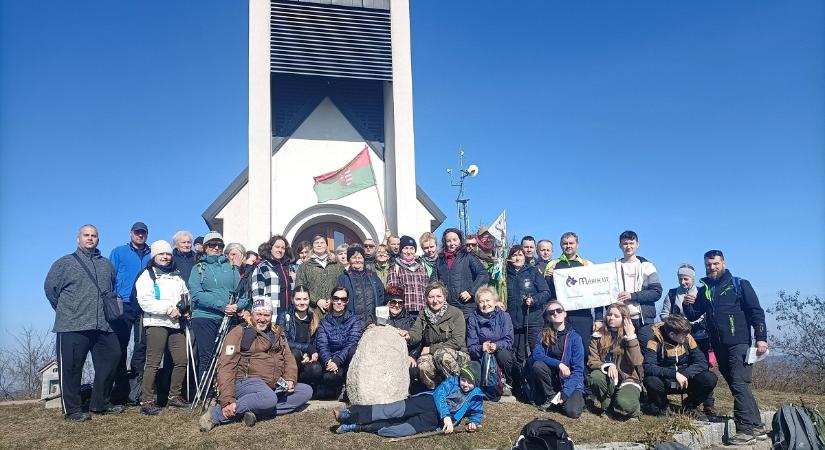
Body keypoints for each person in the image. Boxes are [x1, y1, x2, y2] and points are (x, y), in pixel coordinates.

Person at [683, 250, 768, 444]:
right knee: (738, 386)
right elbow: (694, 315)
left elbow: (756, 312)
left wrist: (761, 338)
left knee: (739, 383)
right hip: (719, 346)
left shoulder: (739, 284)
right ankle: (756, 426)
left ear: (723, 263)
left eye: (716, 264)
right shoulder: (705, 289)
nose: (712, 268)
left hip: (739, 343)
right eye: (708, 265)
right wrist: (688, 305)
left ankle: (745, 431)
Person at [199, 297, 312, 431]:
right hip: (245, 382)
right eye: (259, 314)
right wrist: (228, 399)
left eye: (267, 315)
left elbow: (288, 358)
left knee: (306, 391)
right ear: (252, 314)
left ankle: (255, 412)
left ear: (271, 316)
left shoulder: (277, 332)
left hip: (273, 384)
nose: (262, 319)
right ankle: (217, 414)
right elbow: (226, 366)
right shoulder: (240, 332)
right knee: (268, 398)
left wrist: (289, 379)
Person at [44, 224, 122, 421]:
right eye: (86, 235)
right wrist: (65, 311)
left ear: (98, 239)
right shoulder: (64, 263)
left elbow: (112, 287)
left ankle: (100, 403)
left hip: (103, 324)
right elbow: (50, 290)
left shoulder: (106, 265)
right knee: (71, 367)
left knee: (113, 356)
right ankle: (73, 410)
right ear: (78, 239)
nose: (90, 238)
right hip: (72, 324)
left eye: (94, 235)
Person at [333, 362, 485, 437]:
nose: (465, 384)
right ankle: (349, 414)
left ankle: (357, 426)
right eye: (464, 379)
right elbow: (439, 394)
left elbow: (477, 413)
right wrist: (446, 416)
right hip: (428, 402)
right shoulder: (452, 381)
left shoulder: (476, 397)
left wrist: (474, 422)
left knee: (396, 430)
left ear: (475, 383)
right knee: (390, 411)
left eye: (469, 382)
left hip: (434, 420)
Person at [134, 240, 190, 415]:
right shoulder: (147, 275)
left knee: (181, 360)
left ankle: (174, 396)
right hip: (156, 323)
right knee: (153, 362)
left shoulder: (176, 275)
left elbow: (185, 295)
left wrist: (186, 309)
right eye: (161, 254)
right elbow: (145, 301)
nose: (165, 257)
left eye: (167, 254)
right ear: (154, 256)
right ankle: (147, 400)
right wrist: (168, 309)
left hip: (176, 323)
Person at [661, 263, 716, 416]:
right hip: (677, 336)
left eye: (686, 279)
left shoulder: (701, 293)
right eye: (680, 279)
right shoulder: (672, 294)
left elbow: (706, 313)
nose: (683, 282)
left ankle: (708, 403)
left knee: (703, 368)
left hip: (700, 335)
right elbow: (664, 314)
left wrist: (691, 322)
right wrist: (675, 325)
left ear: (692, 278)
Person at [189, 231, 244, 379]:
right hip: (204, 318)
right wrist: (221, 305)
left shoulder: (232, 268)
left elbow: (243, 294)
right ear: (206, 247)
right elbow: (196, 294)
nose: (216, 248)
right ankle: (207, 395)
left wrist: (237, 306)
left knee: (227, 355)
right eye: (212, 245)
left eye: (219, 245)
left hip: (227, 318)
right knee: (207, 356)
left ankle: (224, 391)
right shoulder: (199, 268)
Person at [109, 221, 152, 406]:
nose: (140, 235)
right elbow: (110, 275)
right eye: (137, 232)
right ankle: (119, 390)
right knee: (120, 346)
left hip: (143, 306)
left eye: (143, 233)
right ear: (131, 233)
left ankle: (135, 390)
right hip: (123, 304)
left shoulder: (152, 253)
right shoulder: (119, 252)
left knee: (141, 346)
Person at [642, 315, 718, 420]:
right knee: (651, 380)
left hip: (685, 380)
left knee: (710, 378)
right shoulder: (654, 342)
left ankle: (690, 405)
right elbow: (649, 367)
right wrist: (674, 374)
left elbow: (701, 362)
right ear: (672, 334)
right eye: (683, 335)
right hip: (666, 382)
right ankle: (662, 406)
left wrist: (685, 374)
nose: (687, 336)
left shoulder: (688, 338)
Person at [400, 281, 470, 389]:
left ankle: (456, 387)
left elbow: (457, 341)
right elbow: (416, 332)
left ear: (445, 297)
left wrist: (431, 349)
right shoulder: (423, 314)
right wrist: (408, 336)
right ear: (426, 299)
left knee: (441, 354)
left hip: (457, 355)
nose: (435, 300)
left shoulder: (456, 313)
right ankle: (435, 390)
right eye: (431, 297)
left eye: (438, 296)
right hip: (435, 355)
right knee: (423, 364)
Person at [504, 245, 550, 396]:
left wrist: (534, 299)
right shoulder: (505, 274)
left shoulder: (533, 272)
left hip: (532, 320)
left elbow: (545, 292)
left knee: (536, 354)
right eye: (515, 255)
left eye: (521, 255)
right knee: (517, 356)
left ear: (525, 257)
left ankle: (540, 388)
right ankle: (518, 386)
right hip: (513, 322)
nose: (517, 258)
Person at [587, 303, 643, 419]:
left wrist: (631, 337)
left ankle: (634, 410)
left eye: (616, 316)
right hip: (607, 376)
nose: (611, 318)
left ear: (624, 319)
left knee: (625, 404)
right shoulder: (597, 335)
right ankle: (607, 406)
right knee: (594, 377)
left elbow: (637, 361)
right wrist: (608, 366)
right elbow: (592, 360)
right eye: (609, 314)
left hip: (628, 378)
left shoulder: (631, 336)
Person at [529, 301, 586, 418]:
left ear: (564, 314)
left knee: (573, 412)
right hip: (552, 378)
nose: (555, 313)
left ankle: (572, 398)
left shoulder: (575, 338)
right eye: (551, 312)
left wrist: (566, 392)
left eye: (559, 310)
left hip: (569, 380)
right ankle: (551, 397)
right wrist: (559, 364)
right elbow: (536, 355)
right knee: (538, 365)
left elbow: (578, 371)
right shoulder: (543, 334)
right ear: (548, 317)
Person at [543, 232, 596, 351]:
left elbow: (597, 294)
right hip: (560, 314)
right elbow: (546, 292)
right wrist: (547, 277)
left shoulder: (587, 264)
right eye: (565, 243)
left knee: (583, 349)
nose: (568, 246)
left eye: (571, 243)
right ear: (561, 245)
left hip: (582, 315)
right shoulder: (553, 264)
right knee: (560, 348)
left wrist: (598, 318)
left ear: (577, 245)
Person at [614, 230, 662, 346]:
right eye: (625, 243)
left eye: (631, 243)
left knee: (646, 354)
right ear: (620, 245)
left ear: (637, 244)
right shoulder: (613, 267)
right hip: (621, 319)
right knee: (623, 355)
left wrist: (633, 296)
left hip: (644, 321)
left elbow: (656, 292)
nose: (628, 246)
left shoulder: (648, 267)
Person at [315, 286, 364, 399]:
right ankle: (335, 388)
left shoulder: (354, 320)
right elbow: (322, 345)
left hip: (345, 361)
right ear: (331, 300)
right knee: (329, 378)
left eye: (343, 299)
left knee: (353, 349)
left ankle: (347, 385)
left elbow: (352, 342)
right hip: (331, 362)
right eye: (336, 298)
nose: (339, 302)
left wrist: (337, 361)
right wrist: (329, 362)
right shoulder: (324, 322)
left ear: (347, 301)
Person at [430, 228, 489, 319]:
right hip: (446, 307)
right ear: (445, 242)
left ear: (460, 241)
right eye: (448, 241)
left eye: (454, 240)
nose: (452, 243)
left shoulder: (468, 256)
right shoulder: (440, 260)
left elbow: (483, 274)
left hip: (466, 308)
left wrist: (471, 292)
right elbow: (433, 281)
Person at [467, 286, 515, 396]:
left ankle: (507, 383)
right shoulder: (472, 318)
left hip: (500, 351)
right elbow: (471, 345)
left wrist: (496, 345)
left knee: (504, 356)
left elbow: (508, 340)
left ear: (495, 301)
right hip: (482, 354)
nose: (485, 304)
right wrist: (481, 347)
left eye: (488, 300)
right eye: (481, 302)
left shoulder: (504, 316)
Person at [276, 286, 323, 393]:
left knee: (316, 370)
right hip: (288, 358)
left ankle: (305, 390)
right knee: (296, 353)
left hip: (306, 359)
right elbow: (283, 340)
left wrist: (310, 354)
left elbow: (316, 341)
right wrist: (306, 349)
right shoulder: (284, 316)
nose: (302, 303)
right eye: (298, 299)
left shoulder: (314, 318)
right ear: (292, 300)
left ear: (309, 300)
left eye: (305, 299)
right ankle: (289, 384)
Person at [295, 235, 344, 318]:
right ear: (312, 246)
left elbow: (343, 284)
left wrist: (333, 299)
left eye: (322, 243)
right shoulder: (305, 266)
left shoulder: (337, 265)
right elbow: (300, 287)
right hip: (313, 311)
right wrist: (316, 300)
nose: (319, 245)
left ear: (326, 245)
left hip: (334, 310)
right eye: (316, 243)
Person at [336, 246, 384, 325]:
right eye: (354, 258)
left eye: (360, 257)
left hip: (373, 323)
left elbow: (381, 296)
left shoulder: (373, 276)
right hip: (352, 324)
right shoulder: (343, 278)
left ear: (364, 260)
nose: (357, 260)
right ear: (349, 260)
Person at [252, 235, 294, 322]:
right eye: (277, 247)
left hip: (288, 314)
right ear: (270, 248)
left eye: (283, 248)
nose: (280, 250)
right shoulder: (262, 267)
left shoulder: (287, 267)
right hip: (272, 314)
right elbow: (257, 295)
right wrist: (262, 315)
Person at [384, 286, 421, 382]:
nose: (396, 306)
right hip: (384, 355)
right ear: (387, 302)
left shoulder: (409, 320)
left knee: (412, 369)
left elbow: (418, 341)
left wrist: (412, 355)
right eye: (393, 302)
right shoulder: (378, 317)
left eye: (400, 303)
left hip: (402, 355)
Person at [386, 235, 429, 318]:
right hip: (404, 312)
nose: (409, 252)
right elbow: (392, 291)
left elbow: (427, 288)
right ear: (401, 250)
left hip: (422, 311)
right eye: (406, 248)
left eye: (412, 248)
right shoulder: (395, 267)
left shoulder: (421, 266)